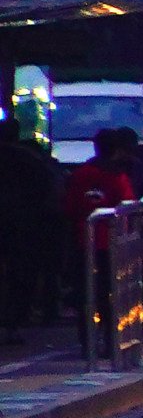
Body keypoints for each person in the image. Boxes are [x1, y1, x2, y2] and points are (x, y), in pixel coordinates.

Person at [0, 118, 61, 332]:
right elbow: (49, 187)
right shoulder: (30, 159)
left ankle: (13, 318)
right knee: (21, 271)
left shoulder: (26, 159)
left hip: (20, 222)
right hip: (24, 223)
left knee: (19, 270)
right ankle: (15, 317)